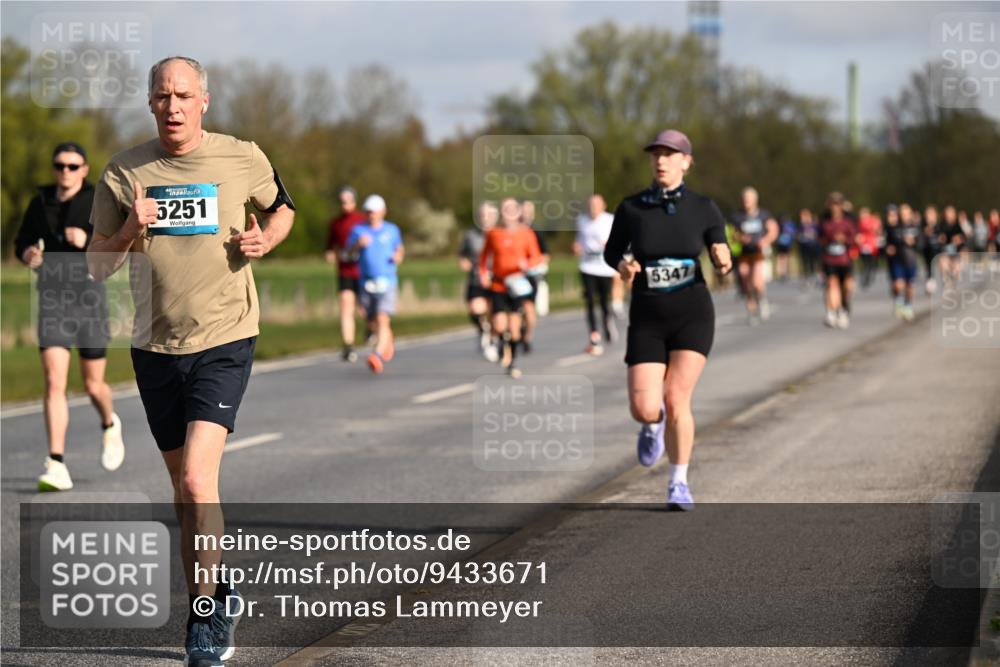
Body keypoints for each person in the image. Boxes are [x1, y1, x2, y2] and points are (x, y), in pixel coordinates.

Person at [87, 56, 296, 667]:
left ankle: (201, 620)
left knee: (199, 480)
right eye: (161, 96)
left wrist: (266, 238)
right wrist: (129, 226)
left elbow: (282, 207)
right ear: (150, 103)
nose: (172, 105)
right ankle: (219, 588)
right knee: (183, 491)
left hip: (226, 336)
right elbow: (98, 267)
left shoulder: (242, 156)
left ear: (205, 100)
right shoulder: (124, 171)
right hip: (154, 346)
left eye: (183, 94)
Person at [603, 129, 732, 511]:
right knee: (645, 406)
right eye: (656, 154)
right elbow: (612, 252)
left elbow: (719, 245)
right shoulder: (632, 208)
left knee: (677, 398)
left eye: (670, 154)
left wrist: (723, 258)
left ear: (686, 162)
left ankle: (678, 482)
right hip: (647, 315)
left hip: (692, 313)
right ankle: (650, 424)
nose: (661, 160)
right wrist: (624, 266)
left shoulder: (703, 207)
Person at [14, 142, 125, 492]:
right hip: (52, 300)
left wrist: (88, 239)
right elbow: (21, 243)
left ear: (84, 169)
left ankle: (109, 422)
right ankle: (56, 462)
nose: (65, 172)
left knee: (93, 384)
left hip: (89, 300)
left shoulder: (97, 203)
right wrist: (28, 253)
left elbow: (119, 245)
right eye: (60, 165)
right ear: (53, 168)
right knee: (54, 381)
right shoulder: (39, 203)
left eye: (73, 166)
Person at [479, 197, 542, 378]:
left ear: (518, 212)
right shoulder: (493, 233)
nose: (509, 212)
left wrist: (527, 264)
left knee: (514, 327)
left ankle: (512, 363)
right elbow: (484, 257)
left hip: (517, 284)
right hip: (499, 283)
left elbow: (536, 257)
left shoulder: (526, 233)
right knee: (499, 325)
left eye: (512, 209)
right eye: (505, 209)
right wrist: (483, 274)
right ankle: (499, 342)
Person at [347, 195, 404, 374]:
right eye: (369, 212)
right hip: (366, 281)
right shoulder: (358, 231)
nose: (372, 215)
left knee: (382, 317)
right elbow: (348, 254)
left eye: (375, 212)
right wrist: (357, 245)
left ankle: (377, 356)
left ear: (382, 212)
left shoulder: (392, 230)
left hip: (387, 280)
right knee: (371, 320)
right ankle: (386, 339)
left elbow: (399, 248)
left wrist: (398, 257)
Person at [324, 186, 367, 362]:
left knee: (364, 308)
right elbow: (330, 246)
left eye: (348, 201)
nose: (344, 205)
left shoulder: (362, 221)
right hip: (345, 271)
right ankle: (348, 345)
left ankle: (372, 329)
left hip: (363, 271)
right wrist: (329, 254)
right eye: (341, 202)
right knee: (345, 307)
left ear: (354, 201)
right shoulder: (335, 223)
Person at [574, 194, 617, 355]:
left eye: (596, 205)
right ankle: (594, 334)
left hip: (605, 267)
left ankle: (607, 323)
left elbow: (618, 241)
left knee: (604, 302)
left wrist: (609, 245)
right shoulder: (582, 220)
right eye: (591, 205)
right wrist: (577, 246)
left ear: (603, 206)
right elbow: (579, 239)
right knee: (590, 300)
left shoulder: (609, 220)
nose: (593, 208)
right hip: (587, 266)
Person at [730, 187, 778, 325]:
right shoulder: (738, 216)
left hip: (757, 251)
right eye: (745, 199)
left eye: (749, 199)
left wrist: (766, 241)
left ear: (755, 200)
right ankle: (751, 311)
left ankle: (762, 300)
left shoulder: (763, 214)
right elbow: (732, 233)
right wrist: (739, 238)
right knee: (745, 279)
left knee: (757, 280)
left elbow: (773, 229)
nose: (746, 202)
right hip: (744, 252)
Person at [459, 202, 497, 359]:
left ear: (495, 217)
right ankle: (483, 331)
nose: (485, 218)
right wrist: (464, 262)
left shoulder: (501, 234)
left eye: (488, 215)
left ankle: (492, 340)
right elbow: (462, 254)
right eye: (482, 215)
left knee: (496, 314)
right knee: (475, 309)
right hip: (476, 279)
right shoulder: (470, 235)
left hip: (497, 280)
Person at [819, 192, 857, 329]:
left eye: (837, 204)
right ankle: (833, 312)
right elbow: (820, 239)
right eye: (832, 204)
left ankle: (844, 307)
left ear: (841, 206)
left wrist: (844, 240)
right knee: (832, 284)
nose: (834, 207)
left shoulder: (848, 221)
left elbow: (854, 239)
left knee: (847, 287)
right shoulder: (825, 221)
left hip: (845, 260)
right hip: (830, 259)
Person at [519, 200, 549, 353]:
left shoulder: (536, 232)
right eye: (523, 210)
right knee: (516, 310)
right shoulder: (512, 230)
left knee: (529, 310)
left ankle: (527, 337)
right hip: (514, 276)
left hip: (531, 276)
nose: (526, 213)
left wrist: (531, 264)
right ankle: (515, 334)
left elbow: (545, 255)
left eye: (529, 210)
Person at [884, 204, 920, 321]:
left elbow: (921, 244)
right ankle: (898, 300)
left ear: (910, 214)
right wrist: (889, 248)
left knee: (910, 286)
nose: (904, 216)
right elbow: (887, 243)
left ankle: (908, 305)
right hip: (897, 260)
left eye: (906, 213)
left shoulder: (915, 227)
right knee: (898, 284)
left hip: (911, 260)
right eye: (902, 214)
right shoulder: (893, 228)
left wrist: (913, 242)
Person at [855, 206, 881, 289]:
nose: (863, 215)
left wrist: (875, 230)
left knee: (871, 260)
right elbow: (857, 231)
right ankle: (865, 275)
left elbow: (877, 230)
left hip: (872, 242)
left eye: (864, 213)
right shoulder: (859, 222)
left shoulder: (873, 220)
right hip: (863, 243)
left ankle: (870, 274)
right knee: (864, 260)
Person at [920, 204, 942, 294]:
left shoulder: (940, 225)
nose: (930, 216)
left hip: (939, 250)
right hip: (927, 249)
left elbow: (944, 236)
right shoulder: (923, 225)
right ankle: (930, 281)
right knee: (928, 266)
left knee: (939, 265)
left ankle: (943, 279)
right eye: (928, 214)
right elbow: (921, 235)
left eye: (932, 214)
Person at [797, 208, 821, 286]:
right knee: (805, 263)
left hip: (813, 246)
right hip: (804, 247)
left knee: (814, 262)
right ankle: (807, 278)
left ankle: (816, 276)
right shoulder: (801, 226)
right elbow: (797, 235)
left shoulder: (814, 225)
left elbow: (818, 234)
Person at [774, 215, 797, 282]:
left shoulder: (780, 225)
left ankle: (783, 273)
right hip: (784, 244)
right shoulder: (788, 226)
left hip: (783, 244)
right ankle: (783, 273)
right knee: (783, 259)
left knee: (782, 259)